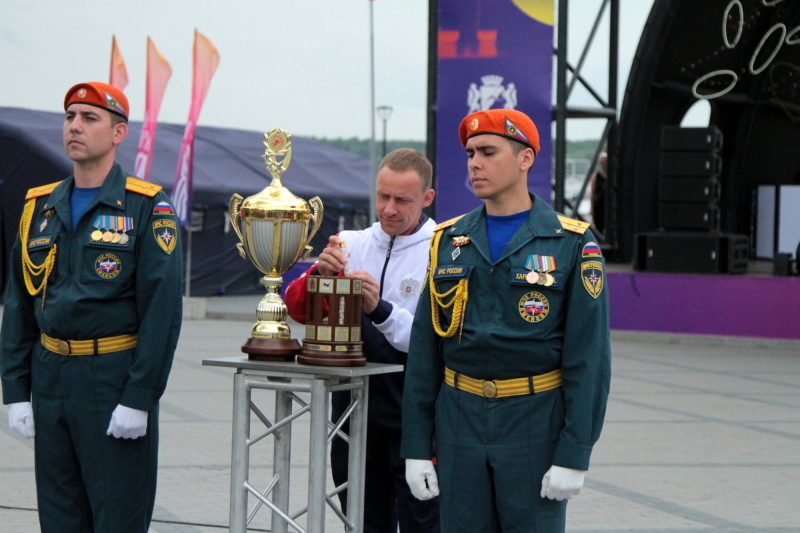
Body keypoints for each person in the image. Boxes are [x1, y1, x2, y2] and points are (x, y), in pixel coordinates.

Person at [401, 109, 611, 532]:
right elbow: (425, 352)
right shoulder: (449, 241)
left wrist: (574, 453)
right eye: (470, 153)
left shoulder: (571, 243)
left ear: (525, 158)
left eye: (488, 152)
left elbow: (588, 358)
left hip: (533, 422)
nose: (474, 163)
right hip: (459, 420)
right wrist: (417, 446)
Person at [0, 82, 183, 532]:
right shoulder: (39, 207)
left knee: (117, 517)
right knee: (60, 517)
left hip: (112, 378)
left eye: (89, 118)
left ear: (119, 133)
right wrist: (15, 390)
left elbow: (162, 311)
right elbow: (19, 304)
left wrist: (140, 397)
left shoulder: (147, 208)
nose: (74, 127)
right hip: (51, 377)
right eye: (69, 118)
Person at [284, 148, 440, 532]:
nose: (388, 209)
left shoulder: (442, 249)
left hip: (416, 416)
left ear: (427, 198)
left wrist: (380, 310)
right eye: (382, 196)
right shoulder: (351, 242)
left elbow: (433, 340)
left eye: (402, 200)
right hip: (353, 414)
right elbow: (297, 309)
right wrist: (316, 274)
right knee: (361, 522)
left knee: (424, 522)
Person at [590, 150, 608, 236]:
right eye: (602, 162)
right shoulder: (596, 176)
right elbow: (592, 193)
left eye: (605, 162)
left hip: (608, 205)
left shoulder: (612, 176)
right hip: (599, 205)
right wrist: (592, 208)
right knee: (598, 227)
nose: (603, 164)